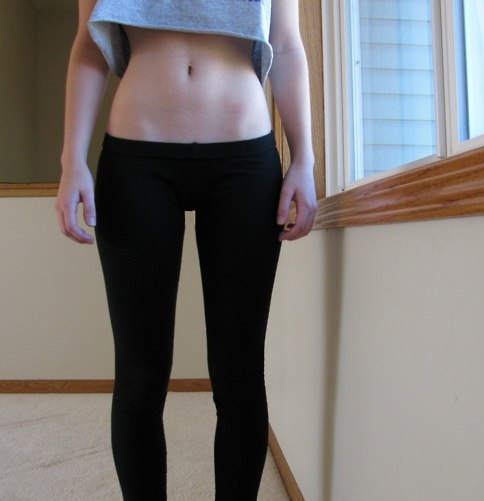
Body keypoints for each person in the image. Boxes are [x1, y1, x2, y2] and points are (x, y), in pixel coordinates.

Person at [55, 0, 316, 499]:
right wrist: (72, 161)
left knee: (239, 373)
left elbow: (285, 44)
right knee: (140, 373)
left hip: (244, 157)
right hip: (136, 157)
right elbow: (89, 45)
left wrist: (304, 157)